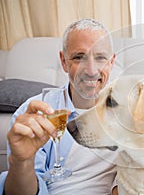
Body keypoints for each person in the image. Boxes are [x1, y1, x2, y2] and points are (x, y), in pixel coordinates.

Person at [0, 19, 119, 195]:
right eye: (79, 57)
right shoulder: (36, 114)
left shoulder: (129, 109)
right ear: (64, 61)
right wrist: (21, 163)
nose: (91, 70)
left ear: (111, 62)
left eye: (100, 58)